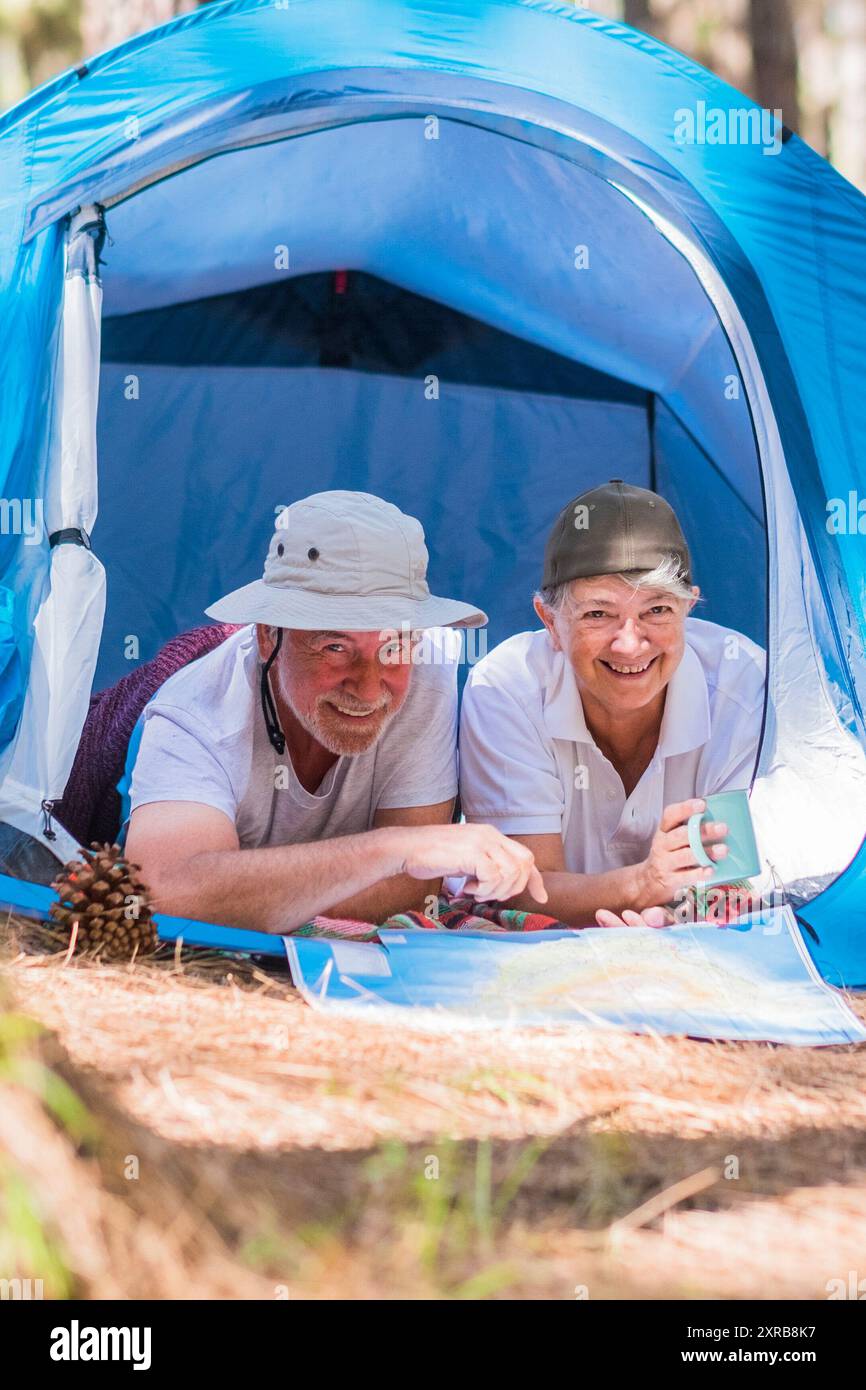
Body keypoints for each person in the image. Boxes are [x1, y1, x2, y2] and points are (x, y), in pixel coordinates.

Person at [125, 491, 545, 932]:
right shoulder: (195, 713)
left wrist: (241, 893)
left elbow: (410, 892)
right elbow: (164, 893)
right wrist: (393, 849)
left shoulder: (428, 672)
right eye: (335, 647)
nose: (367, 688)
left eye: (394, 646)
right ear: (269, 636)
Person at [459, 479, 765, 928]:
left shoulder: (741, 681)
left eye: (657, 611)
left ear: (689, 608)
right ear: (550, 622)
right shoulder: (506, 687)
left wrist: (666, 916)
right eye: (598, 614)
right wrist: (642, 886)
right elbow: (524, 888)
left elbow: (734, 876)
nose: (629, 644)